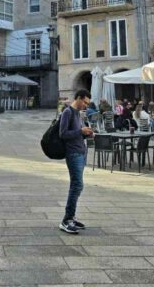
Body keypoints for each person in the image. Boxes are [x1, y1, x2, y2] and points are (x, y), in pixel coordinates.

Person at [58, 89, 93, 234]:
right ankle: (66, 220)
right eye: (84, 102)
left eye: (87, 103)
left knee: (77, 186)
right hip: (73, 154)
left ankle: (71, 217)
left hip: (80, 152)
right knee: (77, 185)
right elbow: (63, 134)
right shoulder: (68, 112)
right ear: (78, 98)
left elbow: (77, 133)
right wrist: (80, 131)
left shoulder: (78, 113)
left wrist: (87, 133)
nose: (85, 105)